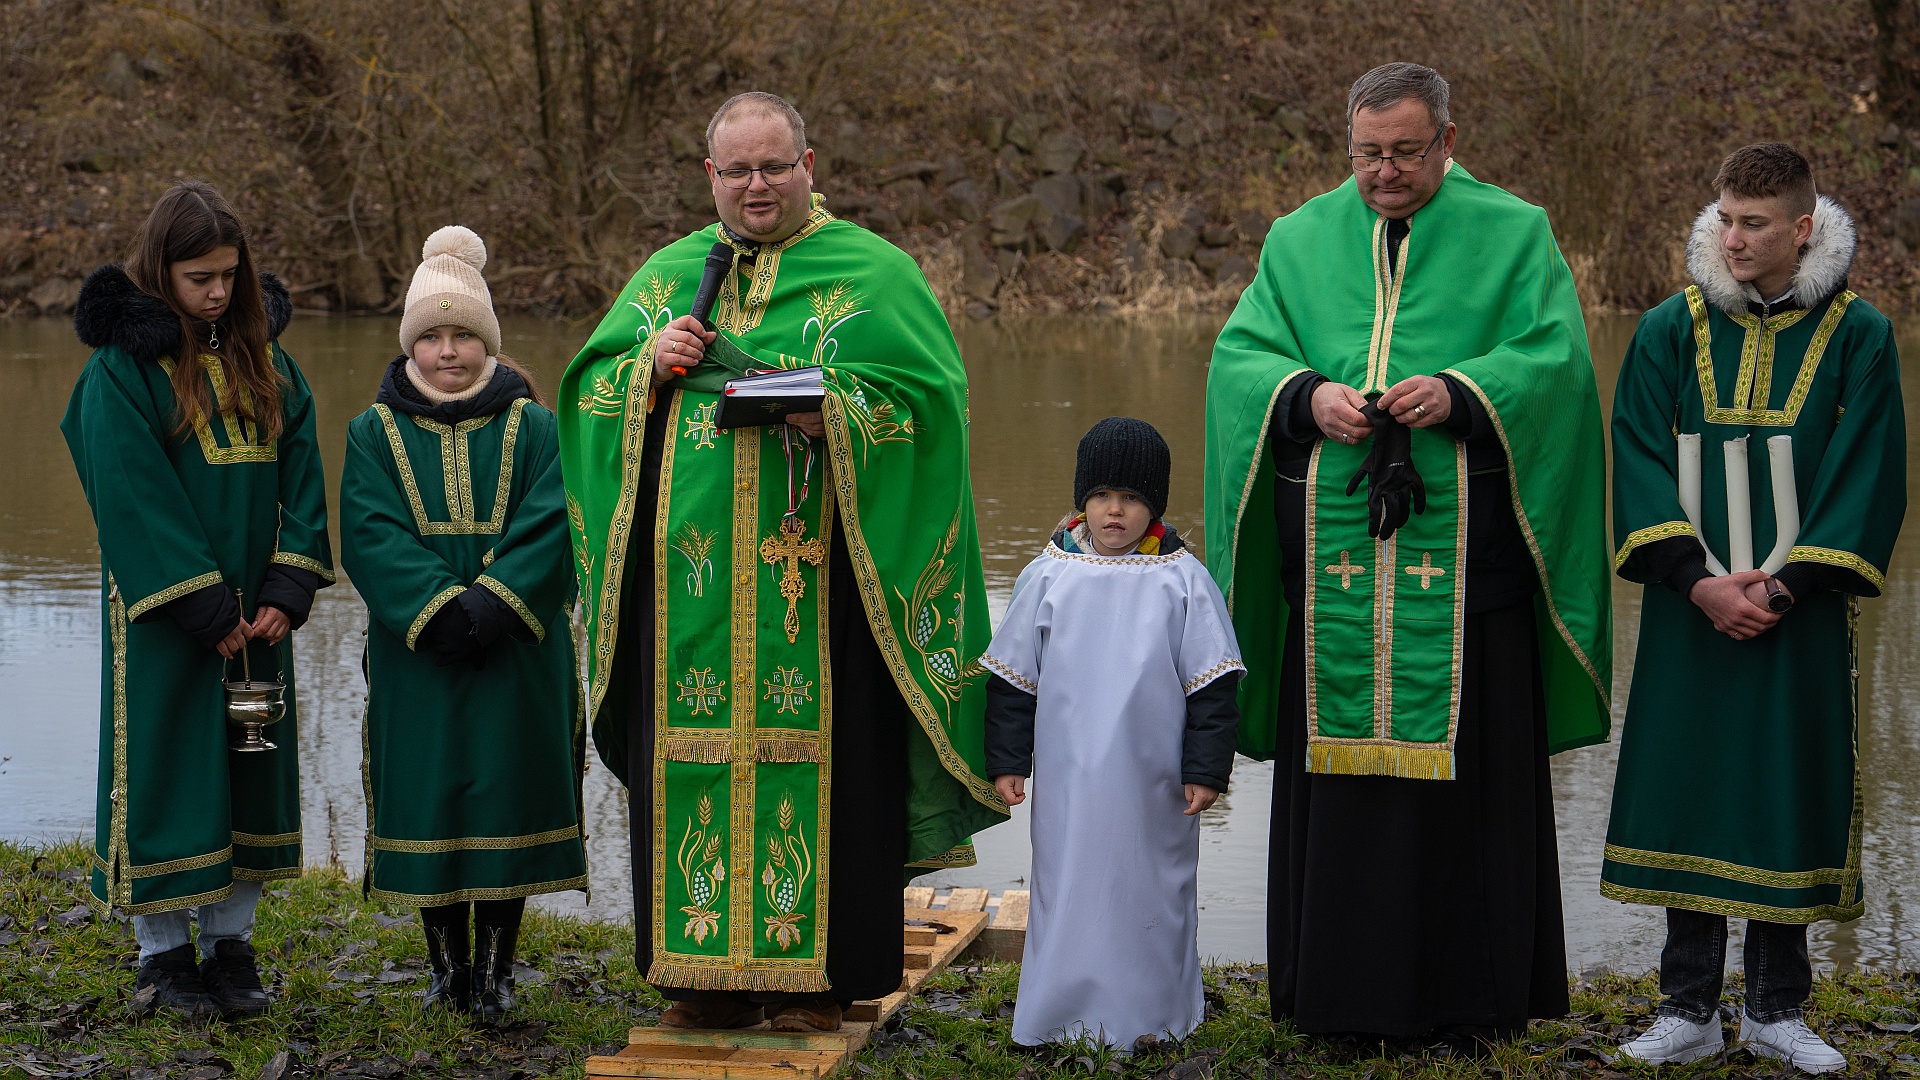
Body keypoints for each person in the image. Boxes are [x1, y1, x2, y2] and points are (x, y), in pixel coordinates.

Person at [558, 91, 1006, 1032]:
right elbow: (587, 395)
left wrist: (833, 413)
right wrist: (646, 373)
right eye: (738, 171)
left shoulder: (876, 274)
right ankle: (700, 976)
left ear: (810, 165)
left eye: (774, 167)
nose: (756, 187)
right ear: (708, 177)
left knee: (831, 769)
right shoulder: (669, 276)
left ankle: (824, 984)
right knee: (693, 766)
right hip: (689, 595)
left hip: (823, 593)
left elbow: (933, 415)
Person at [1202, 62, 1612, 1045]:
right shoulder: (1300, 237)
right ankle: (1338, 1001)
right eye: (1367, 154)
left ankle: (1474, 1004)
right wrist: (1306, 395)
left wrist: (1465, 392)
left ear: (1446, 142)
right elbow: (1238, 357)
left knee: (1473, 794)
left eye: (1404, 152)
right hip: (1337, 572)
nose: (1384, 172)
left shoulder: (1517, 232)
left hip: (1471, 578)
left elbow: (1557, 362)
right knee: (1343, 805)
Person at [1606, 143, 1905, 1074]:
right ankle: (1686, 1010)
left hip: (1798, 611)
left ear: (1803, 228)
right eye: (1724, 218)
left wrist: (1786, 586)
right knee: (1689, 789)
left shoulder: (1862, 335)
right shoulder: (1667, 328)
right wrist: (1696, 581)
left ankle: (1779, 1010)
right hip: (1688, 608)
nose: (1731, 238)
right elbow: (1637, 455)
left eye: (1755, 223)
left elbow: (1871, 469)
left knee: (1786, 786)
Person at [63, 181, 332, 1020]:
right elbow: (130, 492)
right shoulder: (121, 372)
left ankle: (230, 945)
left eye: (228, 274)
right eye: (198, 277)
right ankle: (163, 954)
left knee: (246, 770)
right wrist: (203, 606)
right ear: (160, 272)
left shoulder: (269, 361)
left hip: (260, 615)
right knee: (169, 767)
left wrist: (290, 585)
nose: (217, 292)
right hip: (170, 620)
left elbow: (304, 474)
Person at [341, 226, 588, 1023]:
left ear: (488, 342)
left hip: (517, 649)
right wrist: (437, 610)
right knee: (432, 797)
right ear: (412, 343)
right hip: (419, 655)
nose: (449, 352)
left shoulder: (539, 428)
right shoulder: (371, 433)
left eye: (465, 336)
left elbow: (558, 523)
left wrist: (494, 603)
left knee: (504, 798)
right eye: (433, 336)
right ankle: (445, 969)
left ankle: (499, 969)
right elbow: (370, 532)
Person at [982, 417, 1242, 1051]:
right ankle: (1055, 1017)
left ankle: (1153, 1016)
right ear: (1083, 501)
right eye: (1101, 496)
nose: (1115, 511)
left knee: (1152, 890)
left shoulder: (1183, 580)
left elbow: (1212, 688)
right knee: (1066, 890)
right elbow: (1015, 683)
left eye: (1130, 498)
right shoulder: (1048, 575)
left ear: (1153, 505)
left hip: (1153, 785)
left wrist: (1206, 772)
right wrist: (1009, 761)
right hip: (1070, 783)